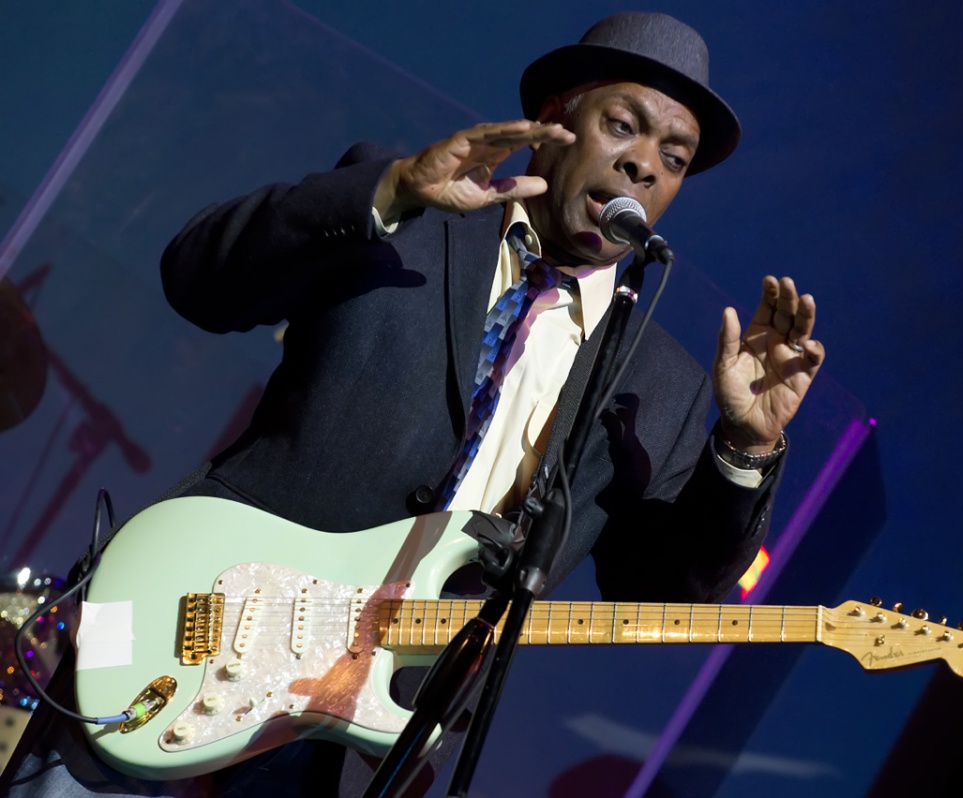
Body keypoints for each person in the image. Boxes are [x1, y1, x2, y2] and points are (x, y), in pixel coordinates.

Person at [2, 11, 824, 796]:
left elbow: (668, 598)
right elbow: (200, 280)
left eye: (675, 157)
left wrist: (744, 451)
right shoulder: (412, 219)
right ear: (554, 121)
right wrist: (389, 192)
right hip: (200, 631)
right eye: (625, 126)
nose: (647, 164)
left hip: (366, 738)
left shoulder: (665, 383)